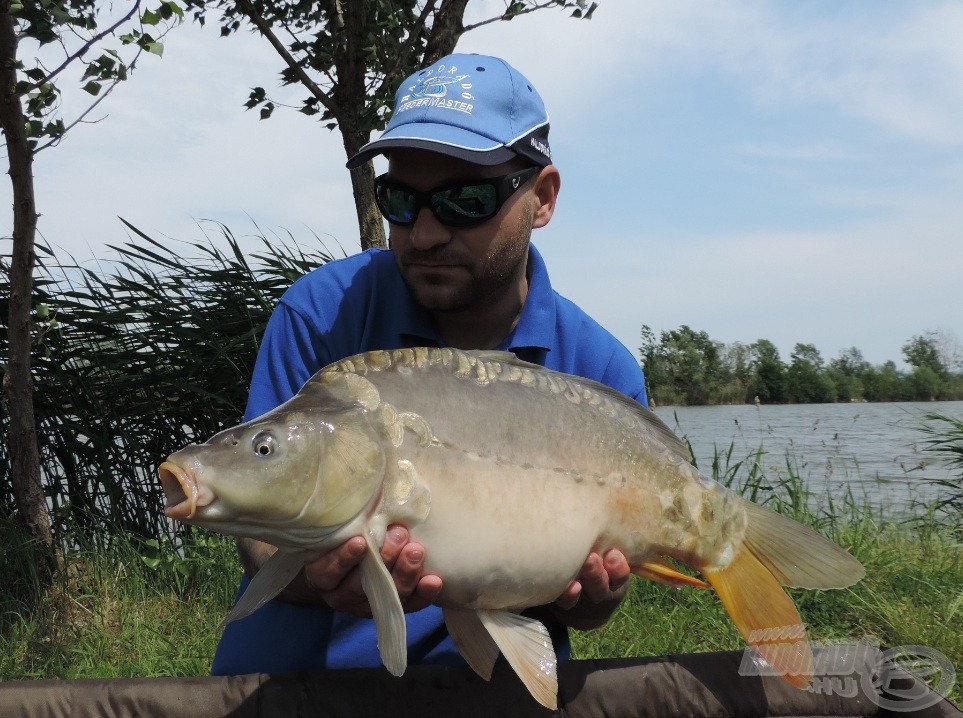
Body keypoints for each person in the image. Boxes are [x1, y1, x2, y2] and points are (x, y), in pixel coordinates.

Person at [211, 53, 649, 676]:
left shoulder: (600, 372)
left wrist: (593, 601)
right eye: (399, 199)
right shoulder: (322, 313)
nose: (424, 233)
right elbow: (258, 532)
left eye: (464, 200)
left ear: (543, 197)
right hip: (297, 686)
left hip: (487, 689)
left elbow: (595, 604)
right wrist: (316, 576)